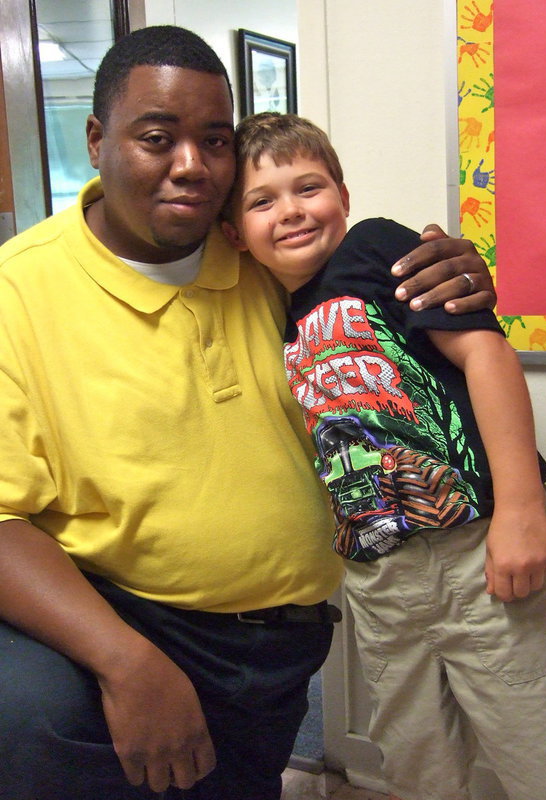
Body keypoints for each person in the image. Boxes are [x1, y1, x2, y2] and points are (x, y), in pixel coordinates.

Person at [0, 26, 497, 800]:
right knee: (31, 713)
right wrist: (125, 661)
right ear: (97, 139)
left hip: (277, 647)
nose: (191, 165)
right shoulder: (18, 291)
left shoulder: (265, 252)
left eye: (214, 140)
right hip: (119, 629)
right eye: (157, 137)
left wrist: (447, 272)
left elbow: (393, 311)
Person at [222, 111, 546, 800]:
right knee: (417, 764)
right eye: (262, 201)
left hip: (476, 550)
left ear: (343, 193)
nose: (291, 211)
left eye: (308, 187)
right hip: (380, 575)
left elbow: (485, 354)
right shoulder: (273, 317)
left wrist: (519, 506)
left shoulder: (375, 249)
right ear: (234, 235)